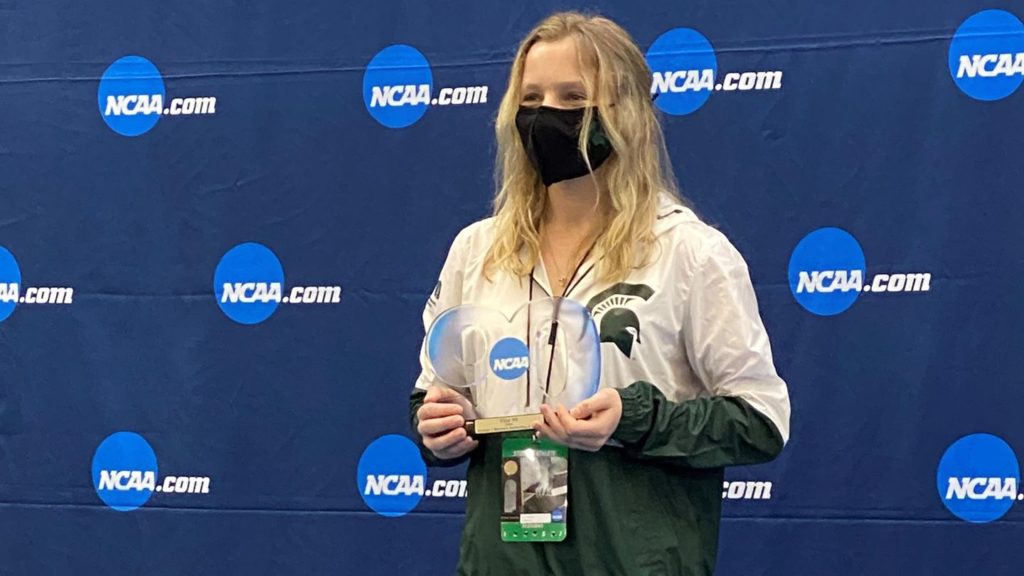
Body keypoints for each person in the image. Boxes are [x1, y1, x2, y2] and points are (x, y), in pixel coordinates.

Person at [410, 11, 791, 576]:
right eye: (532, 97)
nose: (546, 116)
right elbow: (433, 393)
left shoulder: (691, 253)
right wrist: (438, 427)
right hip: (501, 559)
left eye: (572, 98)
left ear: (627, 114)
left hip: (631, 559)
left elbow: (761, 422)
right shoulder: (478, 249)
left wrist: (635, 419)